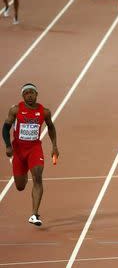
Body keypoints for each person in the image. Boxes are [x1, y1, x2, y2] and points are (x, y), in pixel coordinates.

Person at [2, 83, 59, 226]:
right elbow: (5, 128)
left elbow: (51, 127)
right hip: (19, 150)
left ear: (36, 94)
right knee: (20, 186)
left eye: (32, 93)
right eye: (26, 93)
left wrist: (54, 146)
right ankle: (23, 169)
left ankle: (34, 214)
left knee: (38, 177)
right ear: (23, 96)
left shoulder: (44, 112)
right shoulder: (15, 110)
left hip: (34, 149)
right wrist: (8, 145)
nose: (29, 95)